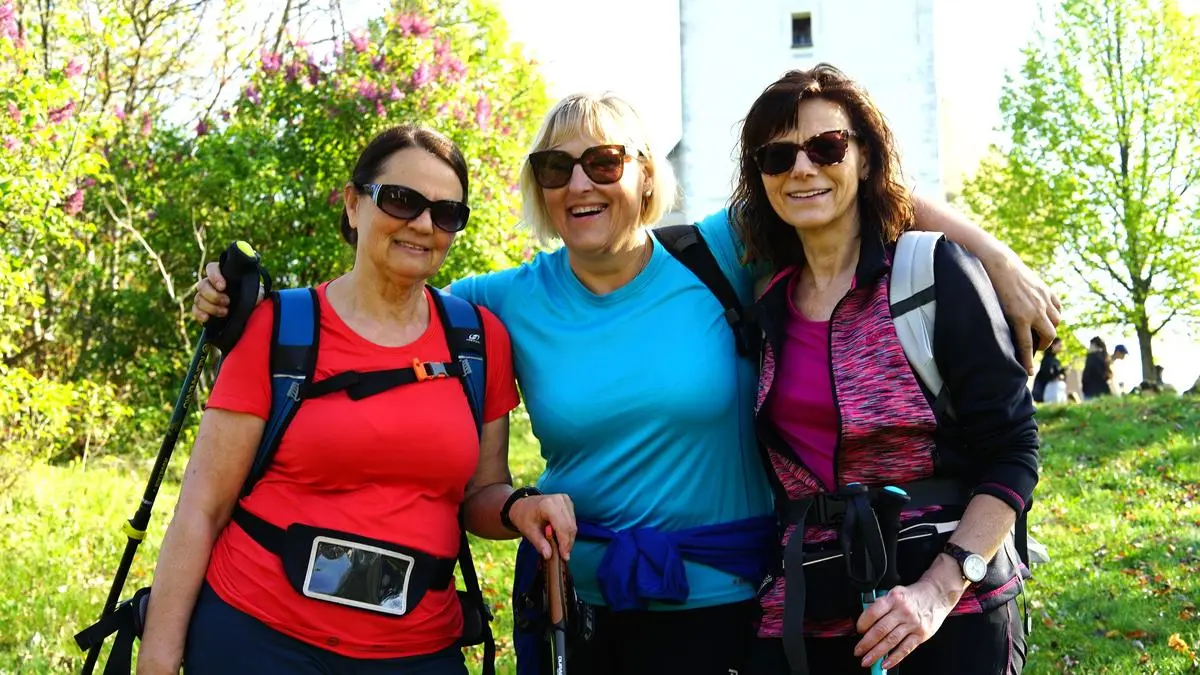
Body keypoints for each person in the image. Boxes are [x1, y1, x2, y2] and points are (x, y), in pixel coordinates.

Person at [191, 94, 1060, 674]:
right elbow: (378, 295)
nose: (581, 184)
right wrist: (242, 304)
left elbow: (853, 194)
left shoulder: (717, 253)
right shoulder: (498, 302)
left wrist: (998, 261)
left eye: (604, 162)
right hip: (581, 605)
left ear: (645, 173)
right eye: (556, 168)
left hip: (732, 600)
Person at [135, 125, 560, 675]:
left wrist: (520, 507)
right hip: (259, 633)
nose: (423, 224)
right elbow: (202, 507)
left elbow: (483, 491)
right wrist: (159, 656)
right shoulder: (279, 327)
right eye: (402, 199)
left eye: (446, 213)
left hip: (418, 648)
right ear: (354, 204)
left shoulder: (477, 343)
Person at [733, 65, 1037, 673]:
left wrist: (938, 591)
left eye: (827, 147)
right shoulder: (765, 303)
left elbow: (1013, 451)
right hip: (806, 611)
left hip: (948, 614)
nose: (802, 169)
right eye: (778, 156)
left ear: (866, 159)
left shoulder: (933, 273)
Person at [1032, 337, 1066, 403]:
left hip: (1052, 392)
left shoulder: (1055, 360)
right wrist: (1059, 374)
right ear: (1053, 345)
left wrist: (1062, 372)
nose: (1061, 348)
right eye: (1059, 346)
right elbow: (1048, 375)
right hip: (1044, 392)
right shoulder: (1048, 360)